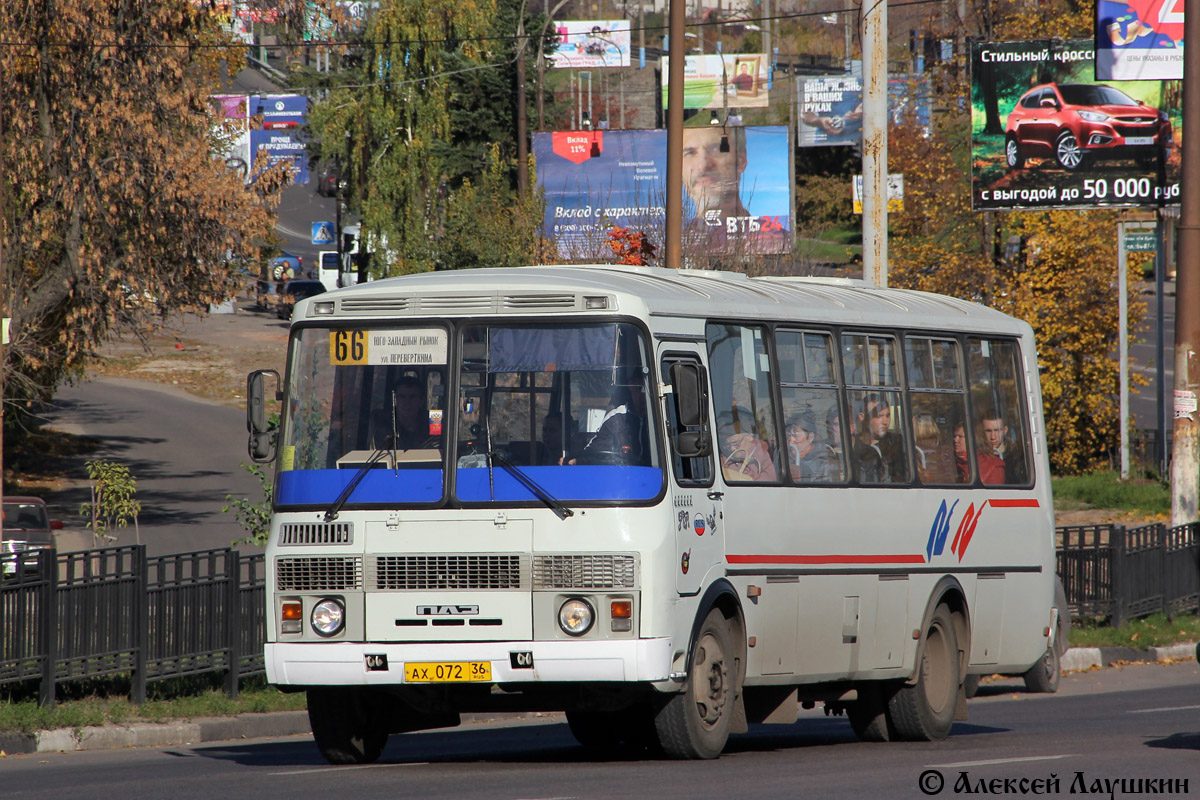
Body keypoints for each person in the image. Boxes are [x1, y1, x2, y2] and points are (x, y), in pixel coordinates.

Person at [371, 374, 435, 451]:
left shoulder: (433, 423)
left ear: (422, 400)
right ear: (394, 400)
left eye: (412, 397)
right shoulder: (380, 425)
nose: (407, 403)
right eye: (402, 397)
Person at [853, 393, 905, 483]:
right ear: (862, 417)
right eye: (879, 416)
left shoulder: (897, 443)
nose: (885, 422)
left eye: (887, 416)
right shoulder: (853, 445)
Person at [786, 410, 838, 483]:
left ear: (811, 437)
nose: (791, 441)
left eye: (796, 436)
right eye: (788, 436)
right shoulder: (783, 457)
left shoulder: (823, 461)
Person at [980, 408, 1028, 484]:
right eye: (988, 431)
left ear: (1005, 430)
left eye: (997, 430)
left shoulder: (1017, 457)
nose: (993, 436)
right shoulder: (980, 457)